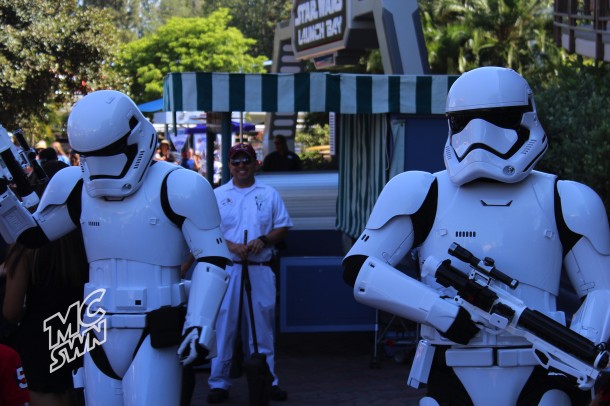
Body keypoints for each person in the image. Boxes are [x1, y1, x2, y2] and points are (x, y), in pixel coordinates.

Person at [342, 67, 610, 405]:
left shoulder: (568, 198)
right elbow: (360, 268)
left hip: (540, 367)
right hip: (451, 366)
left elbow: (602, 290)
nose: (480, 134)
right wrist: (438, 312)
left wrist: (577, 355)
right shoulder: (422, 190)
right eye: (464, 120)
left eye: (499, 118)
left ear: (525, 118)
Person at [0, 89, 232, 405]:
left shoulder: (179, 185)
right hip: (97, 327)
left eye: (107, 152)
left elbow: (214, 258)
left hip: (155, 326)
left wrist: (200, 323)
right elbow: (29, 237)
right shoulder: (76, 186)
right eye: (88, 155)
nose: (98, 166)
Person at [207, 142, 292, 404]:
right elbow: (209, 230)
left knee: (262, 328)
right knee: (224, 326)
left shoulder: (269, 194)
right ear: (229, 166)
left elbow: (283, 226)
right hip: (229, 268)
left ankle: (267, 379)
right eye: (236, 161)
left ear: (256, 163)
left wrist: (263, 241)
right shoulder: (218, 194)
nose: (241, 166)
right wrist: (231, 245)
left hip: (259, 267)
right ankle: (219, 382)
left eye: (246, 160)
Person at [2, 158, 88, 406]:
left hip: (39, 342)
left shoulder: (27, 244)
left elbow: (11, 310)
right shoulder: (90, 235)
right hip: (82, 334)